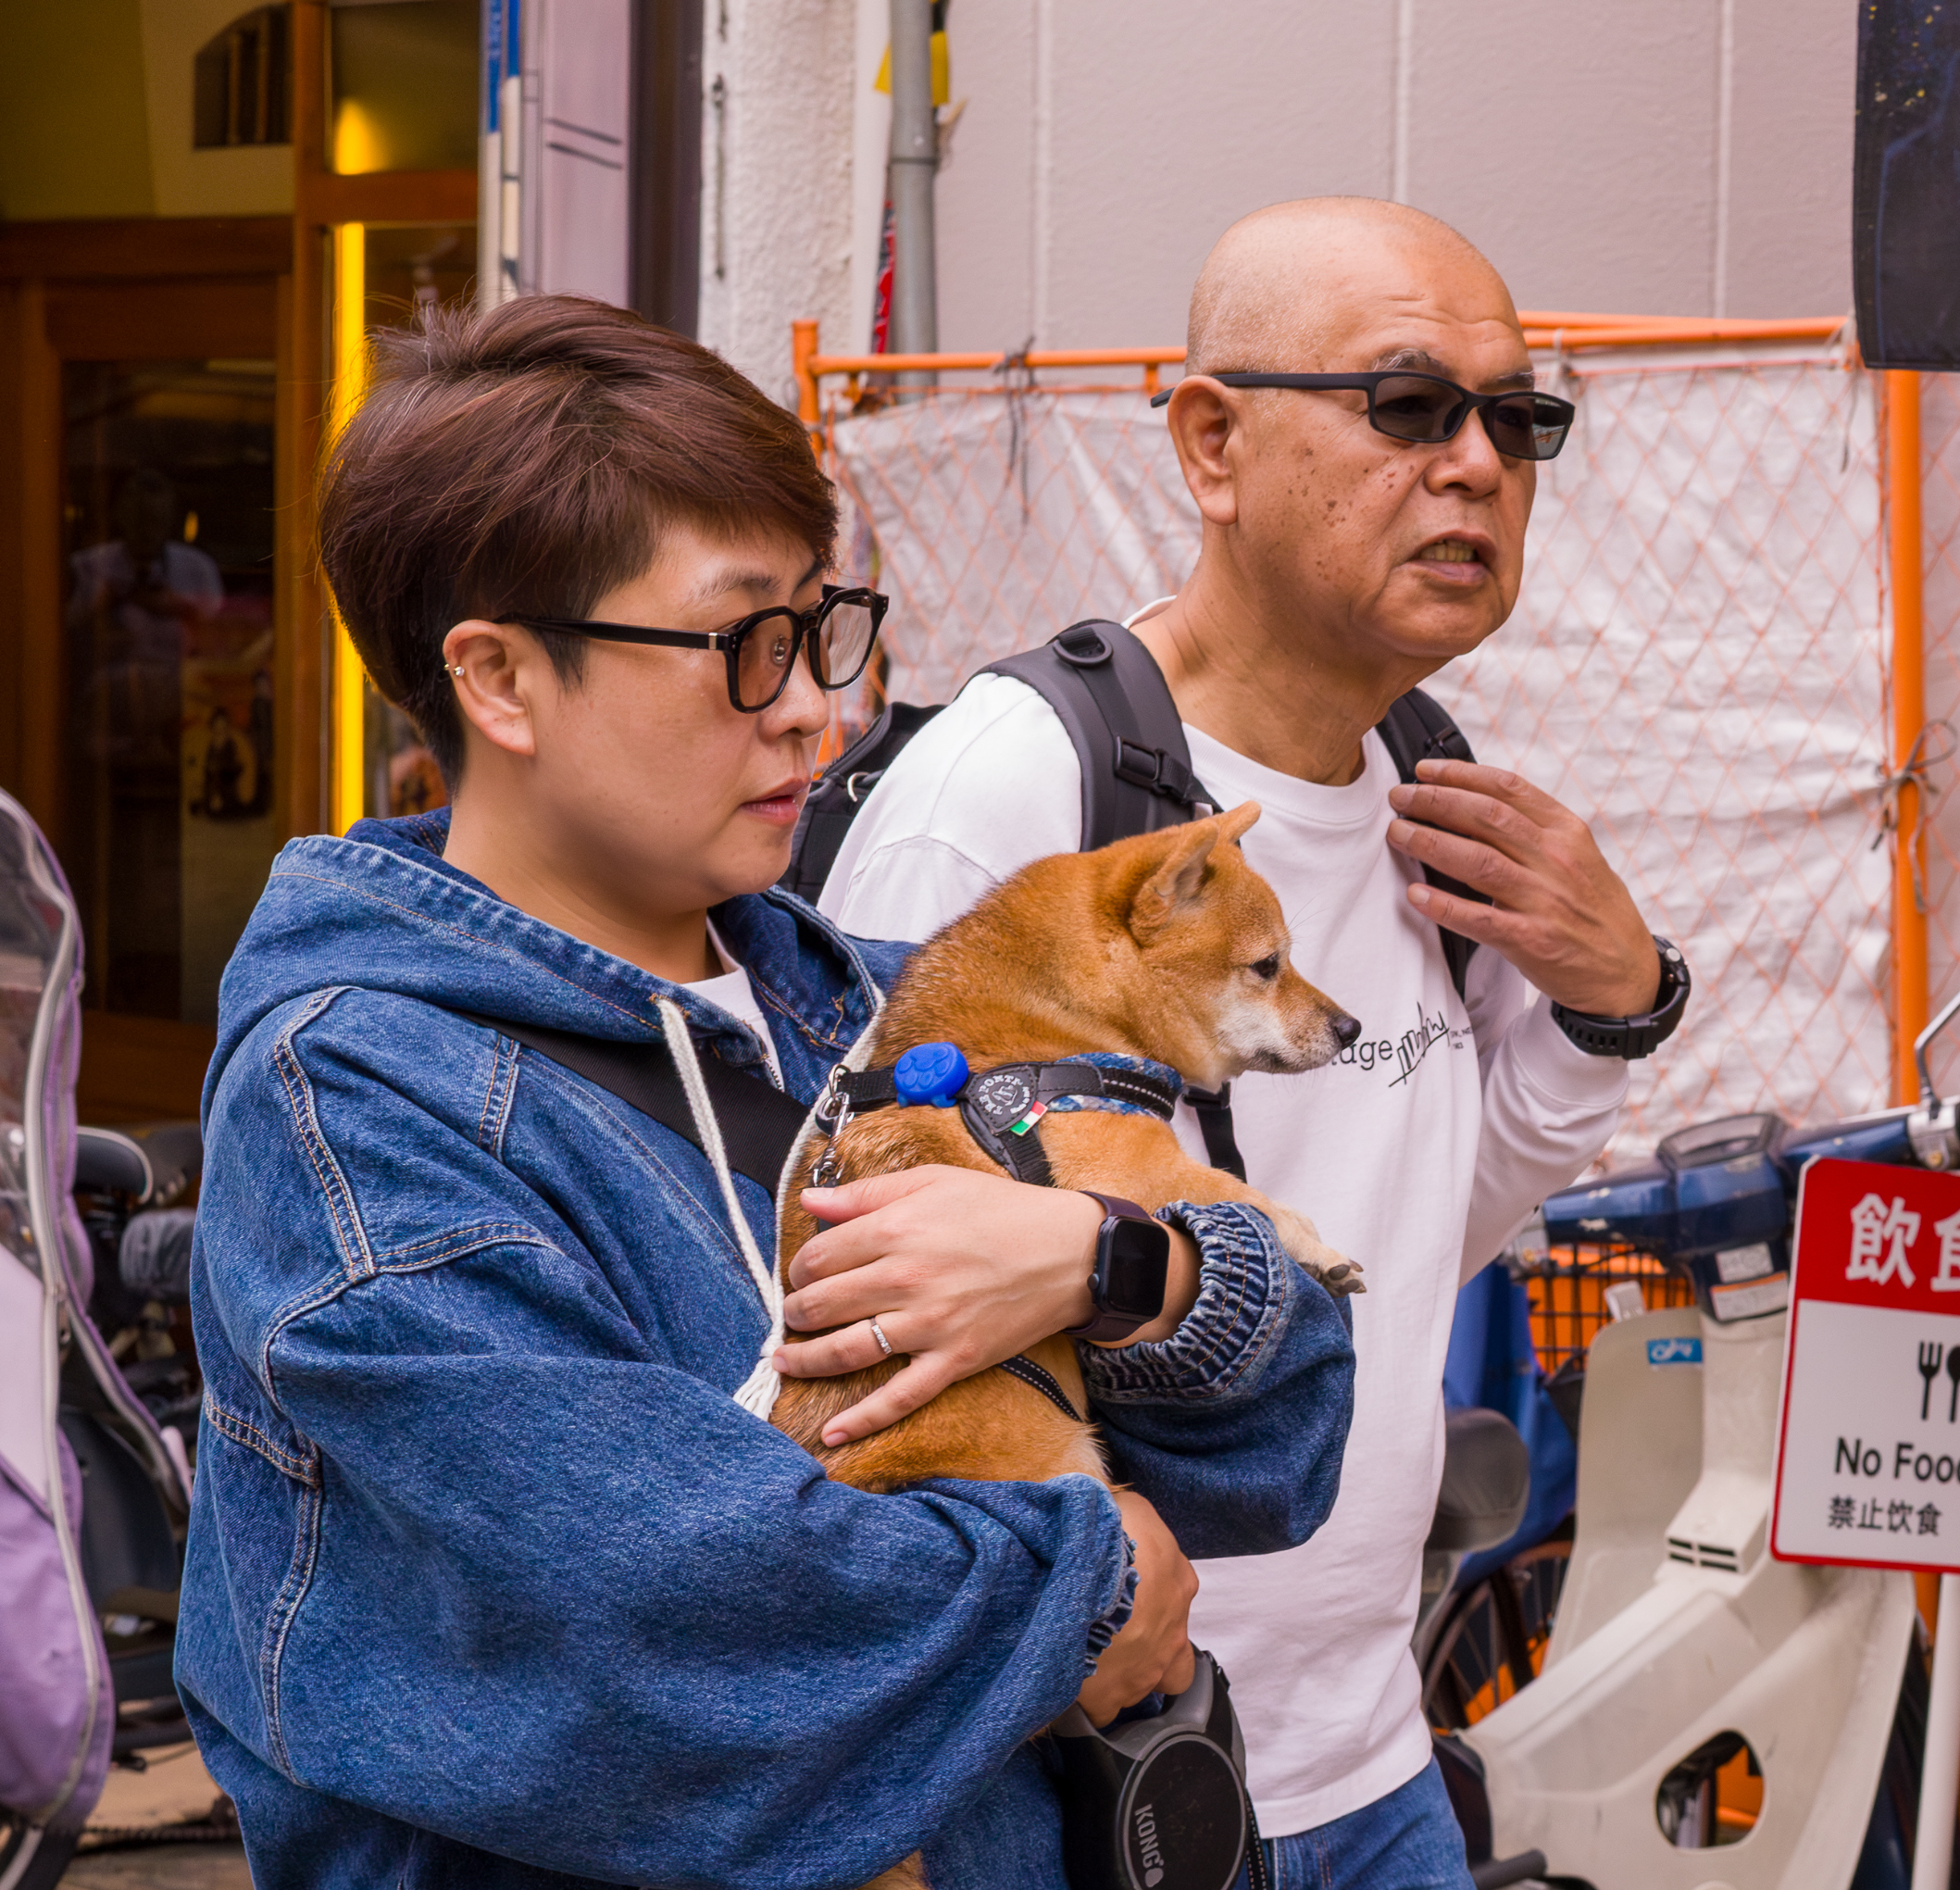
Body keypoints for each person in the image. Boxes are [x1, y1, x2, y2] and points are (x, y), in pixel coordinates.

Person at [177, 295, 1355, 1890]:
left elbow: (1281, 1432)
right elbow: (675, 1611)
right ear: (501, 679)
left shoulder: (885, 1000)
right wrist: (1088, 1583)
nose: (819, 705)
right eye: (744, 641)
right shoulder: (360, 1103)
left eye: (824, 625)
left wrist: (1111, 1264)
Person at [815, 197, 1686, 1885]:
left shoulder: (1430, 790)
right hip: (1068, 1777)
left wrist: (1608, 1002)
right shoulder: (1015, 793)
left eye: (1522, 420)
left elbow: (1417, 1231)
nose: (1481, 467)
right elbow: (823, 1279)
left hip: (1368, 1754)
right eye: (1411, 406)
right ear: (1210, 443)